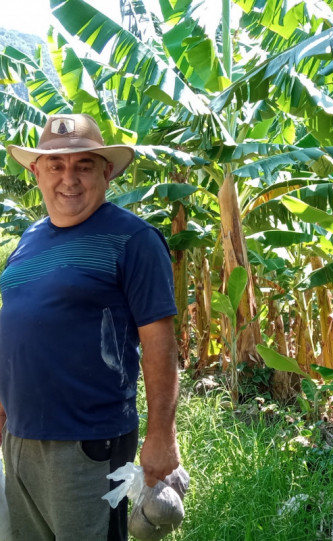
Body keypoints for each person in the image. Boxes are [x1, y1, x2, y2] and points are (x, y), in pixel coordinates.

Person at [0, 113, 180, 541]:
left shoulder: (132, 239)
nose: (69, 179)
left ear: (107, 171)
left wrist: (161, 436)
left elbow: (160, 344)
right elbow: (18, 326)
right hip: (20, 435)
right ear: (36, 172)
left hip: (87, 442)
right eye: (56, 166)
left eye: (83, 165)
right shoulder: (28, 240)